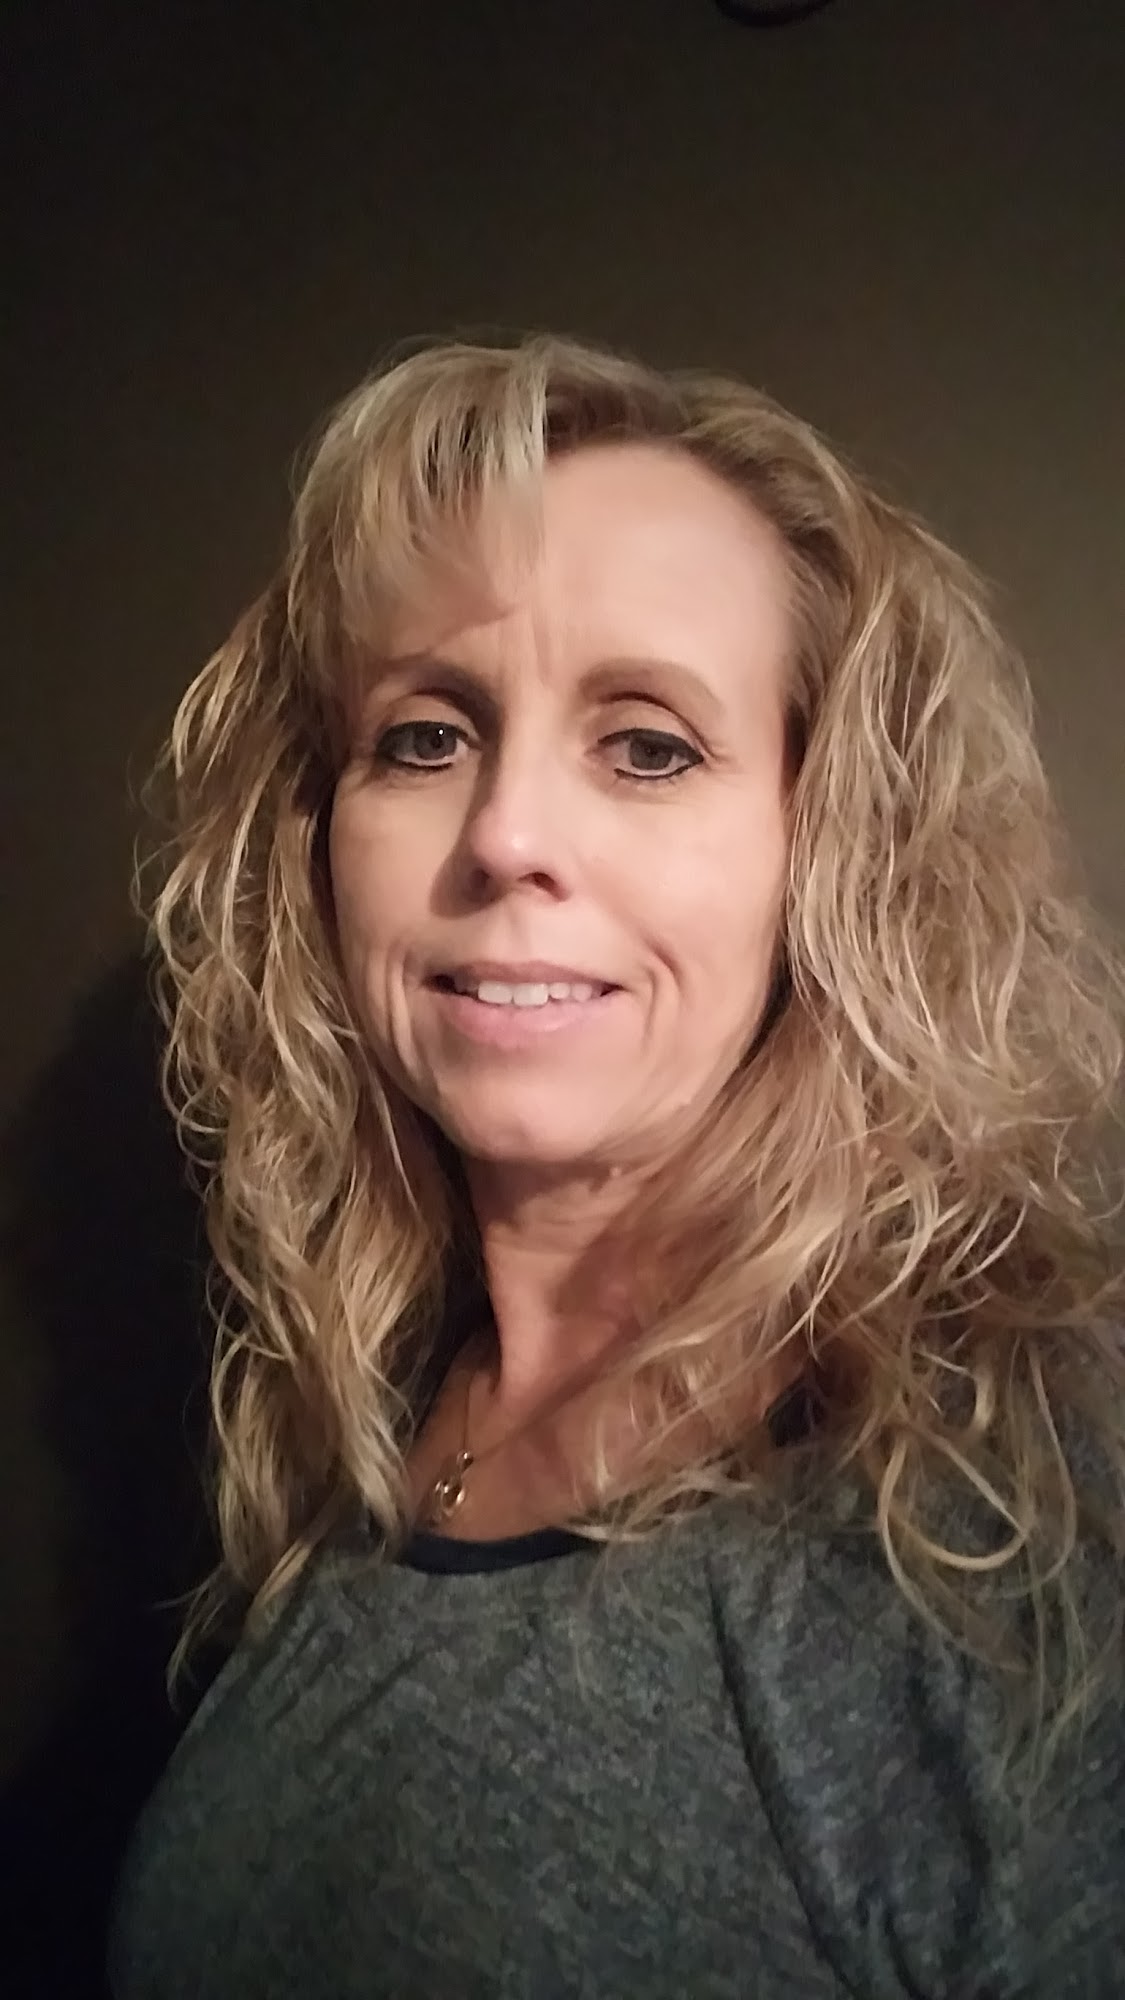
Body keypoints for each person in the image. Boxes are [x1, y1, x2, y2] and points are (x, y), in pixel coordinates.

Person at [107, 331, 1125, 1997]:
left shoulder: (1009, 1519)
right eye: (424, 737)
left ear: (827, 848)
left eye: (647, 745)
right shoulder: (363, 1423)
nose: (505, 834)